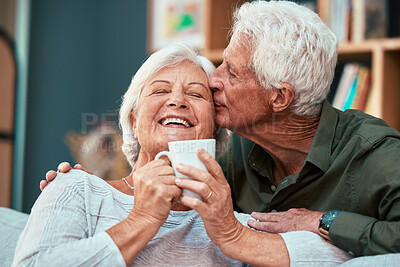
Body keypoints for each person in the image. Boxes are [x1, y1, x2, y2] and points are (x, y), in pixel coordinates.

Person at [42, 0, 400, 260]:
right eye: (162, 90)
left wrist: (325, 221)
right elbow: (165, 167)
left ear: (279, 97)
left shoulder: (377, 155)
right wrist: (88, 186)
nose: (214, 79)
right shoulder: (232, 152)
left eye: (231, 71)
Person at [14, 44, 352, 266]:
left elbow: (340, 259)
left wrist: (232, 234)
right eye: (161, 91)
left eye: (195, 94)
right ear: (133, 118)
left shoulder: (232, 224)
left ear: (215, 128)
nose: (177, 101)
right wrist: (141, 220)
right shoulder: (77, 189)